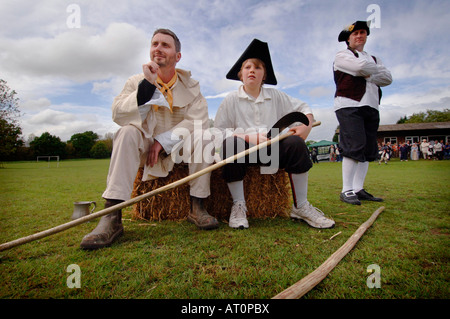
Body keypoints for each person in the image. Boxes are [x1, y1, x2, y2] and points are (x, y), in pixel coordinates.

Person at [80, 29, 219, 250]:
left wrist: (163, 141)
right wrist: (147, 86)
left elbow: (197, 121)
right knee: (126, 132)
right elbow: (118, 115)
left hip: (180, 147)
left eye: (165, 45)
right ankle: (112, 216)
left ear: (178, 56)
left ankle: (197, 205)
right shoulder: (136, 81)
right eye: (155, 44)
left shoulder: (193, 87)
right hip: (145, 147)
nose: (158, 48)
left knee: (206, 135)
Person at [214, 39, 334, 229]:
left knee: (295, 143)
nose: (252, 70)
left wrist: (307, 125)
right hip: (245, 153)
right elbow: (218, 131)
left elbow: (302, 108)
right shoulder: (230, 100)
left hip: (273, 151)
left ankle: (300, 206)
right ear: (241, 74)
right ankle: (239, 205)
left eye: (258, 67)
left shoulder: (277, 96)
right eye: (247, 67)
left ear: (264, 76)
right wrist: (246, 136)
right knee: (231, 144)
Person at [333, 21, 392, 205]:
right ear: (348, 39)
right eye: (356, 33)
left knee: (367, 148)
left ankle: (358, 188)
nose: (359, 36)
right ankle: (346, 190)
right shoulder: (342, 55)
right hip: (349, 104)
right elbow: (359, 68)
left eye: (362, 32)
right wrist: (371, 72)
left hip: (372, 105)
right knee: (354, 145)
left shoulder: (373, 58)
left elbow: (388, 78)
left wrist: (368, 73)